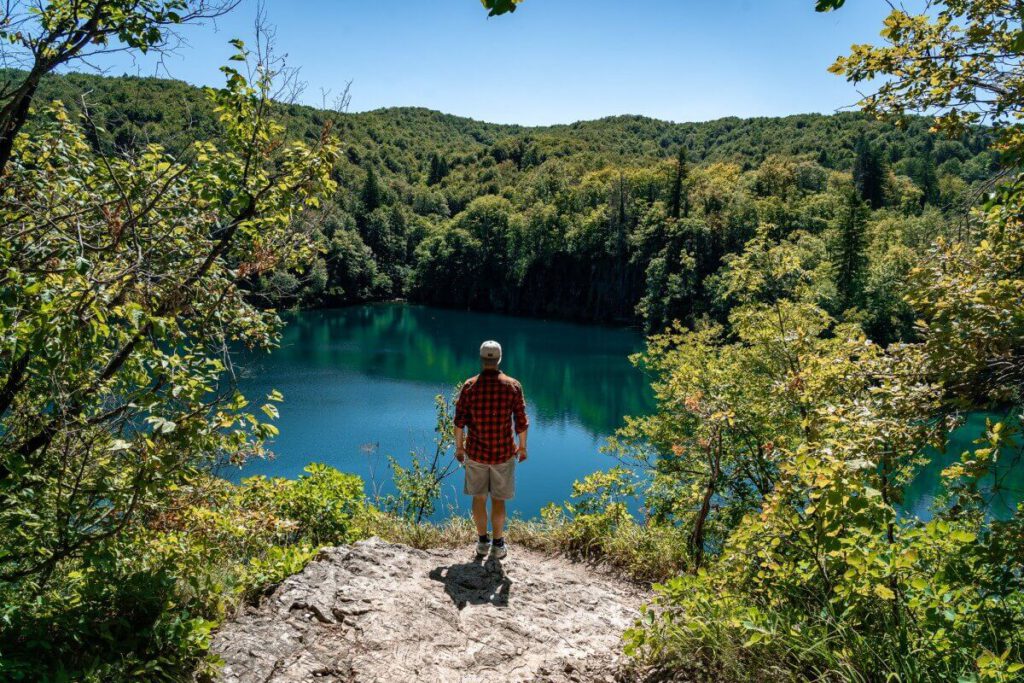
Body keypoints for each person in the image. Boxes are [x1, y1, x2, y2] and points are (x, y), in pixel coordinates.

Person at [453, 340, 529, 560]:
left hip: (475, 453)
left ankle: (482, 543)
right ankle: (498, 545)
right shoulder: (513, 386)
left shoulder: (469, 386)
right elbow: (521, 422)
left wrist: (459, 448)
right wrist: (522, 447)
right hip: (503, 454)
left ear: (481, 359)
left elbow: (459, 422)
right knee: (498, 500)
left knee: (478, 498)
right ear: (499, 359)